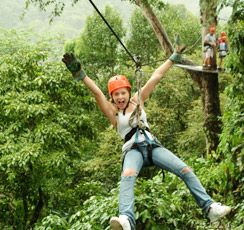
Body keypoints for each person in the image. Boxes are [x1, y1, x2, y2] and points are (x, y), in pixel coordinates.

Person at [62, 44, 231, 230]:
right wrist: (81, 74)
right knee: (127, 176)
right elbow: (96, 93)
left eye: (122, 93)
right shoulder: (113, 113)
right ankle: (126, 219)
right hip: (132, 150)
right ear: (112, 97)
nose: (120, 97)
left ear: (128, 92)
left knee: (185, 170)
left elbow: (156, 77)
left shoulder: (138, 100)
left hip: (153, 147)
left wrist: (172, 59)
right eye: (116, 94)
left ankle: (210, 208)